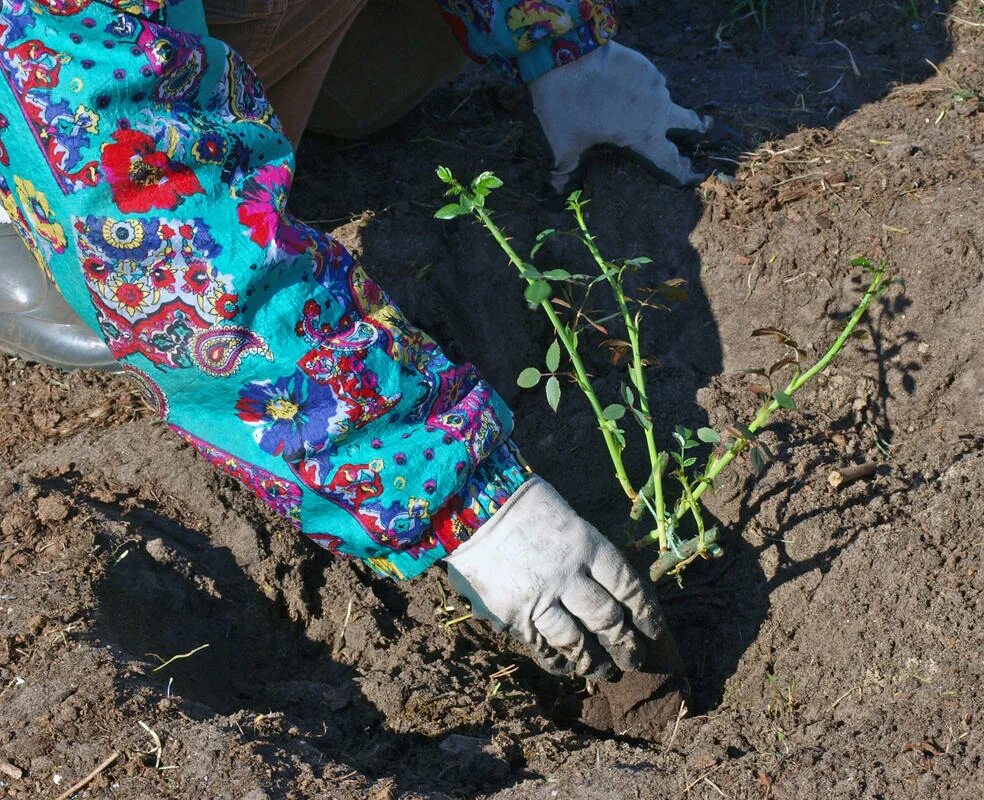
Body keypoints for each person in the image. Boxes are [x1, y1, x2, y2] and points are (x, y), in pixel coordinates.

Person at [0, 0, 717, 680]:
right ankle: (27, 211)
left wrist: (553, 39)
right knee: (125, 224)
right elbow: (169, 247)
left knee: (381, 66)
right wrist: (462, 498)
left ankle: (265, 84)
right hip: (68, 68)